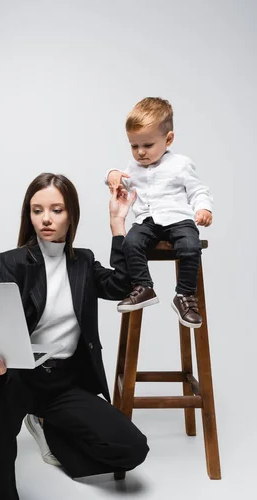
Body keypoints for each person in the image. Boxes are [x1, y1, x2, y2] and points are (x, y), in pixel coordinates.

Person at [0, 173, 149, 500]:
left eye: (56, 209)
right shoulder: (11, 263)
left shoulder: (84, 262)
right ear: (29, 215)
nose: (46, 218)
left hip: (64, 383)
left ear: (70, 215)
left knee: (132, 449)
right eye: (37, 209)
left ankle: (44, 426)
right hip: (18, 377)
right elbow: (0, 325)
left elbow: (124, 285)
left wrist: (118, 225)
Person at [105, 97, 213, 328]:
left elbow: (198, 190)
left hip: (178, 219)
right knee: (131, 242)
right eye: (134, 146)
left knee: (190, 246)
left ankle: (184, 295)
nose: (140, 152)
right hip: (148, 221)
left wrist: (203, 208)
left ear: (168, 139)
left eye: (147, 145)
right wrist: (112, 175)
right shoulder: (133, 168)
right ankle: (144, 287)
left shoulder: (180, 164)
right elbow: (119, 182)